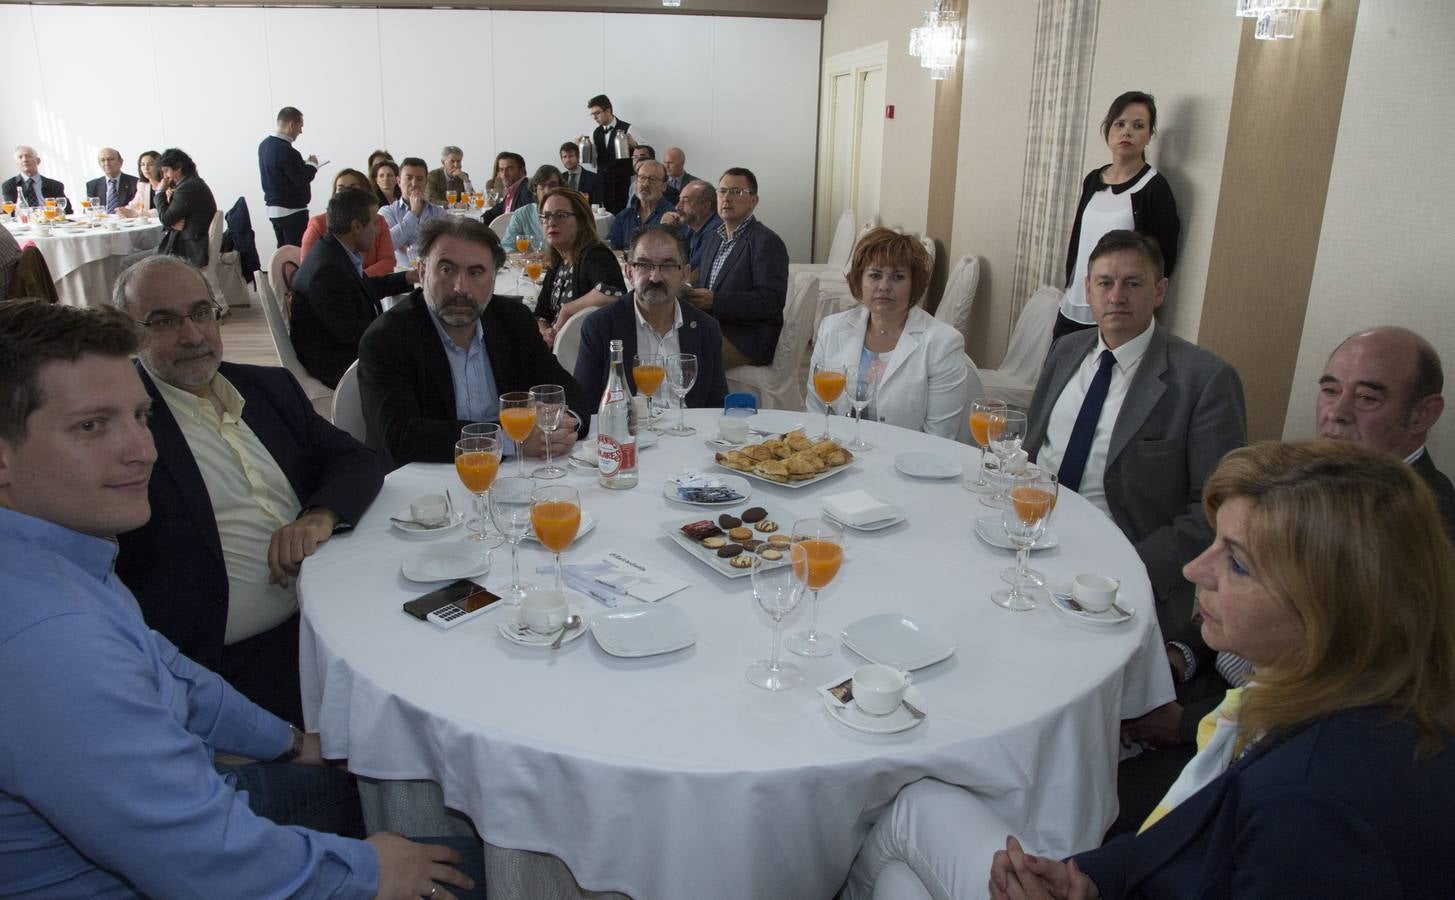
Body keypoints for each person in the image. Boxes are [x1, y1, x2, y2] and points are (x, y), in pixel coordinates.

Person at [0, 298, 479, 898]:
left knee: (398, 782)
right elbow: (203, 862)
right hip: (167, 869)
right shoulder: (51, 641)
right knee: (481, 860)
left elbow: (171, 673)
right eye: (91, 425)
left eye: (140, 417)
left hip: (190, 803)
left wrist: (290, 743)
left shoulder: (58, 556)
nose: (141, 450)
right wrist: (372, 871)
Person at [847, 439, 1455, 900]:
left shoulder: (1312, 808)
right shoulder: (1334, 702)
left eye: (1237, 563)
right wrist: (1085, 876)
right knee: (905, 856)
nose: (1195, 570)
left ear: (1329, 603)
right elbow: (1186, 840)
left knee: (908, 820)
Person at [108, 255, 387, 726]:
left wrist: (317, 517)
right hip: (234, 665)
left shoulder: (267, 387)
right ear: (131, 333)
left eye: (201, 312)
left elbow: (357, 460)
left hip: (335, 616)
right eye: (164, 321)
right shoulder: (125, 431)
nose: (194, 335)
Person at [1027, 229, 1245, 642]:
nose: (1116, 296)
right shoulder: (1066, 351)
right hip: (1034, 542)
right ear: (1088, 290)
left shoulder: (1204, 380)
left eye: (1133, 283)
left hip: (1123, 570)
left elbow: (1218, 509)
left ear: (1159, 291)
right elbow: (1031, 451)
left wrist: (1127, 565)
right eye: (1105, 283)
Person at [357, 216, 590, 467]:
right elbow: (402, 437)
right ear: (423, 272)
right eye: (447, 269)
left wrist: (563, 423)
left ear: (493, 280)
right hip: (425, 484)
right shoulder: (387, 338)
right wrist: (512, 439)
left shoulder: (514, 320)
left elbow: (566, 389)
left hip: (513, 476)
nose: (461, 288)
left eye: (475, 272)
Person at [806, 228, 979, 439]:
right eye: (875, 275)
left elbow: (939, 436)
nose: (884, 286)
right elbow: (816, 411)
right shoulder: (832, 328)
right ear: (860, 280)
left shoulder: (943, 342)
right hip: (839, 458)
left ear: (914, 284)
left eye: (897, 277)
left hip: (907, 464)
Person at [1055, 91, 1180, 341]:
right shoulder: (1093, 179)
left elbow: (1163, 258)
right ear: (1108, 129)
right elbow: (1079, 240)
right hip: (1077, 301)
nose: (1127, 132)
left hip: (1118, 311)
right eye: (1119, 124)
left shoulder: (1153, 188)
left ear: (1150, 135)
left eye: (1138, 126)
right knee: (1060, 374)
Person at [1318, 325, 1454, 534]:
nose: (1336, 413)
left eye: (1366, 397)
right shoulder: (1297, 476)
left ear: (1423, 414)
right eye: (1330, 391)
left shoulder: (1429, 525)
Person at [575, 224, 728, 408]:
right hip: (629, 432)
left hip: (688, 431)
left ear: (684, 274)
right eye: (645, 265)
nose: (655, 277)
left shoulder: (706, 328)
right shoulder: (600, 326)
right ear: (629, 272)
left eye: (668, 265)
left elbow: (716, 407)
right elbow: (585, 406)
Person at [291, 189, 417, 389]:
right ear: (357, 226)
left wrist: (409, 277)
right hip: (337, 363)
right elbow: (353, 334)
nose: (377, 230)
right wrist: (402, 327)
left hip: (343, 347)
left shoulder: (335, 251)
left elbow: (364, 287)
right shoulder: (326, 271)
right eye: (374, 223)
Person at [685, 167, 791, 368]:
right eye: (722, 191)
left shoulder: (766, 242)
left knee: (685, 350)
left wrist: (716, 301)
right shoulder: (712, 238)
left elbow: (771, 302)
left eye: (736, 192)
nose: (727, 198)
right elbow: (703, 284)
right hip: (714, 326)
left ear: (753, 201)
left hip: (747, 339)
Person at [536, 187, 627, 344]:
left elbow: (612, 292)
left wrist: (567, 310)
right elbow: (540, 314)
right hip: (559, 349)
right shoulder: (558, 261)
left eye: (561, 216)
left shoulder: (595, 254)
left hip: (586, 352)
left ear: (581, 221)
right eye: (546, 216)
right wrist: (545, 331)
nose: (551, 222)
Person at [301, 168, 397, 277]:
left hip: (370, 286)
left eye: (353, 188)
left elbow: (388, 261)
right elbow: (307, 269)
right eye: (341, 189)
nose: (347, 193)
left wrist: (360, 280)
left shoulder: (378, 221)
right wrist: (358, 281)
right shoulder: (318, 224)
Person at [257, 106, 319, 248]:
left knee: (283, 253)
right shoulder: (287, 151)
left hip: (273, 211)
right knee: (296, 253)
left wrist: (301, 165)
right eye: (300, 126)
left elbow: (281, 172)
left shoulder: (264, 146)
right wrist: (312, 165)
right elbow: (302, 179)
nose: (301, 131)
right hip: (292, 211)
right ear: (291, 125)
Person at [154, 147, 217, 268]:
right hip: (188, 244)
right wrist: (171, 224)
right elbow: (169, 219)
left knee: (128, 262)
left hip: (187, 251)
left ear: (178, 167)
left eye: (166, 171)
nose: (165, 177)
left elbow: (166, 218)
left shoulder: (187, 188)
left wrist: (159, 192)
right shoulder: (191, 183)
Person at [382, 156, 446, 269]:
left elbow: (445, 246)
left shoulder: (438, 213)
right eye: (409, 178)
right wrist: (414, 213)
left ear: (426, 182)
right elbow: (387, 244)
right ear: (398, 181)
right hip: (402, 276)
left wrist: (406, 242)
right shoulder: (387, 211)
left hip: (432, 272)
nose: (414, 183)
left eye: (420, 179)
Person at [587, 94, 641, 213]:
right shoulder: (595, 133)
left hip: (623, 186)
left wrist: (635, 144)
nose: (594, 117)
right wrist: (587, 150)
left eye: (597, 113)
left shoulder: (629, 129)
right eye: (592, 114)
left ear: (608, 110)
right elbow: (594, 164)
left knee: (623, 219)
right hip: (602, 186)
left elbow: (647, 153)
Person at [607, 159, 675, 250]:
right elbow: (611, 248)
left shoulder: (673, 216)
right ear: (636, 181)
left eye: (652, 179)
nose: (645, 184)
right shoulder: (624, 216)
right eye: (642, 178)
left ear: (664, 186)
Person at [661, 178, 720, 273]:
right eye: (679, 200)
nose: (677, 207)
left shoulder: (715, 232)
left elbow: (688, 271)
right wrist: (667, 229)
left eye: (685, 201)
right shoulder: (693, 227)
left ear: (705, 206)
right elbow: (670, 260)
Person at [501, 165, 563, 250]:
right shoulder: (522, 215)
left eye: (553, 185)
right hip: (531, 262)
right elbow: (506, 246)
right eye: (542, 186)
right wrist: (525, 258)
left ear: (561, 188)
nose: (548, 191)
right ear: (534, 190)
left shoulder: (570, 214)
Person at [2, 144, 71, 212]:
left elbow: (67, 210)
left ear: (38, 161)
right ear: (17, 163)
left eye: (28, 156)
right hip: (23, 221)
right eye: (20, 157)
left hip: (49, 219)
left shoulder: (55, 185)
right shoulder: (9, 185)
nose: (24, 159)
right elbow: (9, 212)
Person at [482, 152, 529, 226]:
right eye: (501, 170)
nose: (504, 174)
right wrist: (477, 222)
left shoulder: (527, 190)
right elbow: (492, 213)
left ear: (521, 171)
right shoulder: (512, 190)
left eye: (509, 169)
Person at [85, 147, 138, 213]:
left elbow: (137, 209)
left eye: (111, 159)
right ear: (99, 164)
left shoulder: (135, 183)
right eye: (103, 160)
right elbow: (89, 210)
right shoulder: (92, 185)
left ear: (121, 162)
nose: (107, 163)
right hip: (102, 222)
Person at [118, 148, 163, 215]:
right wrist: (124, 210)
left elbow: (162, 210)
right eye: (143, 165)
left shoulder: (166, 183)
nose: (146, 168)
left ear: (159, 166)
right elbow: (134, 204)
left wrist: (136, 214)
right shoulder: (143, 184)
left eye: (151, 164)